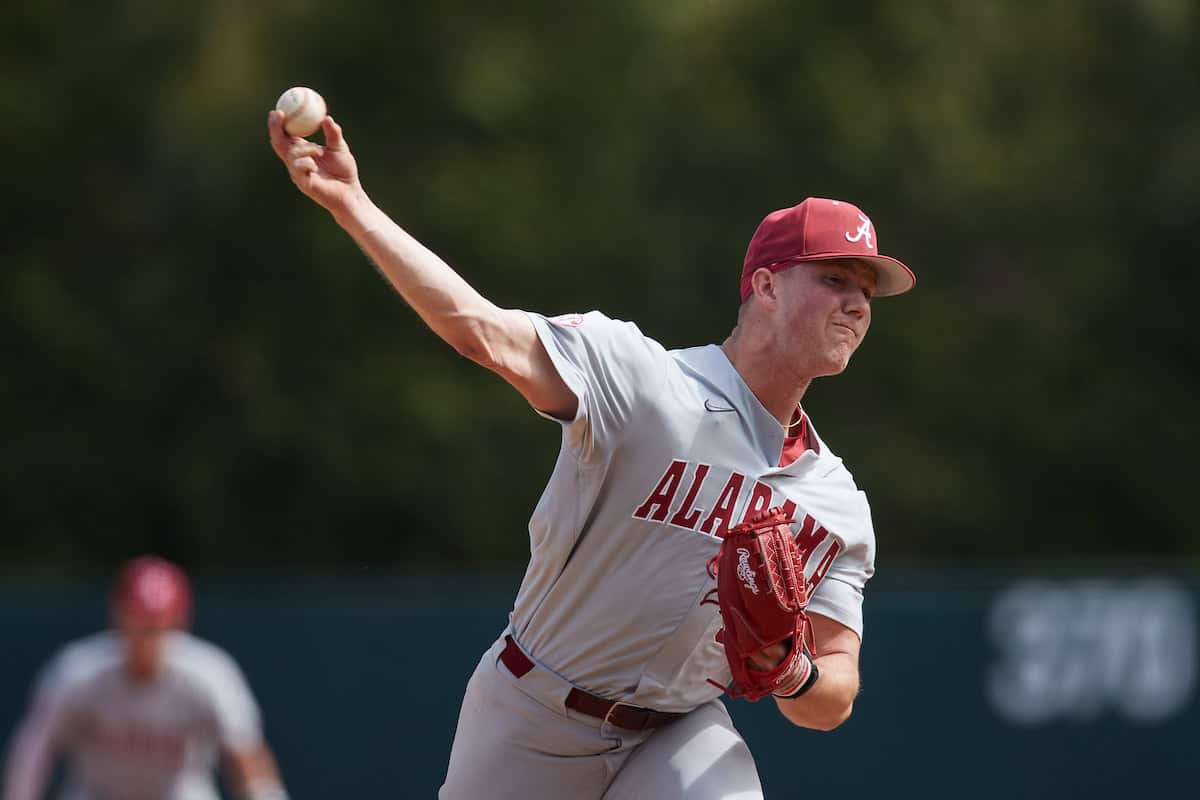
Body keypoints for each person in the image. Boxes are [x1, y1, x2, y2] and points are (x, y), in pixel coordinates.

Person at [267, 106, 915, 799]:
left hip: (676, 732)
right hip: (532, 711)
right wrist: (351, 204)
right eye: (836, 279)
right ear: (765, 285)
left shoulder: (835, 501)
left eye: (868, 291)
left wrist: (795, 673)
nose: (857, 304)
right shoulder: (644, 380)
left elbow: (835, 690)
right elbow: (479, 331)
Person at [3, 556, 289, 800]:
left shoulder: (209, 674)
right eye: (137, 620)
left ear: (178, 622)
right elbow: (35, 749)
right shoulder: (77, 672)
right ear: (118, 616)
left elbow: (245, 753)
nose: (145, 637)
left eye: (155, 625)